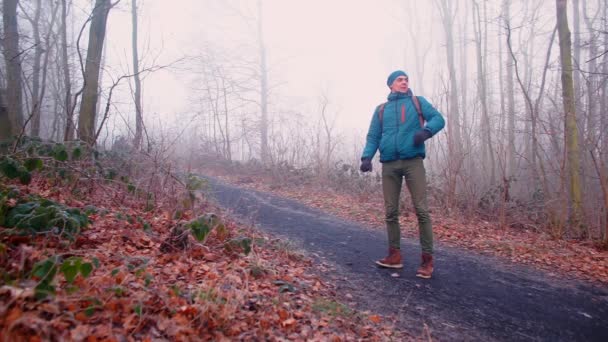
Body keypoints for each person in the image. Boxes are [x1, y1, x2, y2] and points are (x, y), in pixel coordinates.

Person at [360, 70, 445, 279]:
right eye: (399, 80)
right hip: (389, 164)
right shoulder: (381, 110)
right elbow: (373, 136)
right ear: (390, 85)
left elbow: (438, 119)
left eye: (406, 79)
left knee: (421, 210)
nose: (404, 82)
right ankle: (394, 256)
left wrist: (426, 132)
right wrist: (366, 158)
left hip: (413, 162)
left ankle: (427, 260)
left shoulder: (417, 102)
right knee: (390, 211)